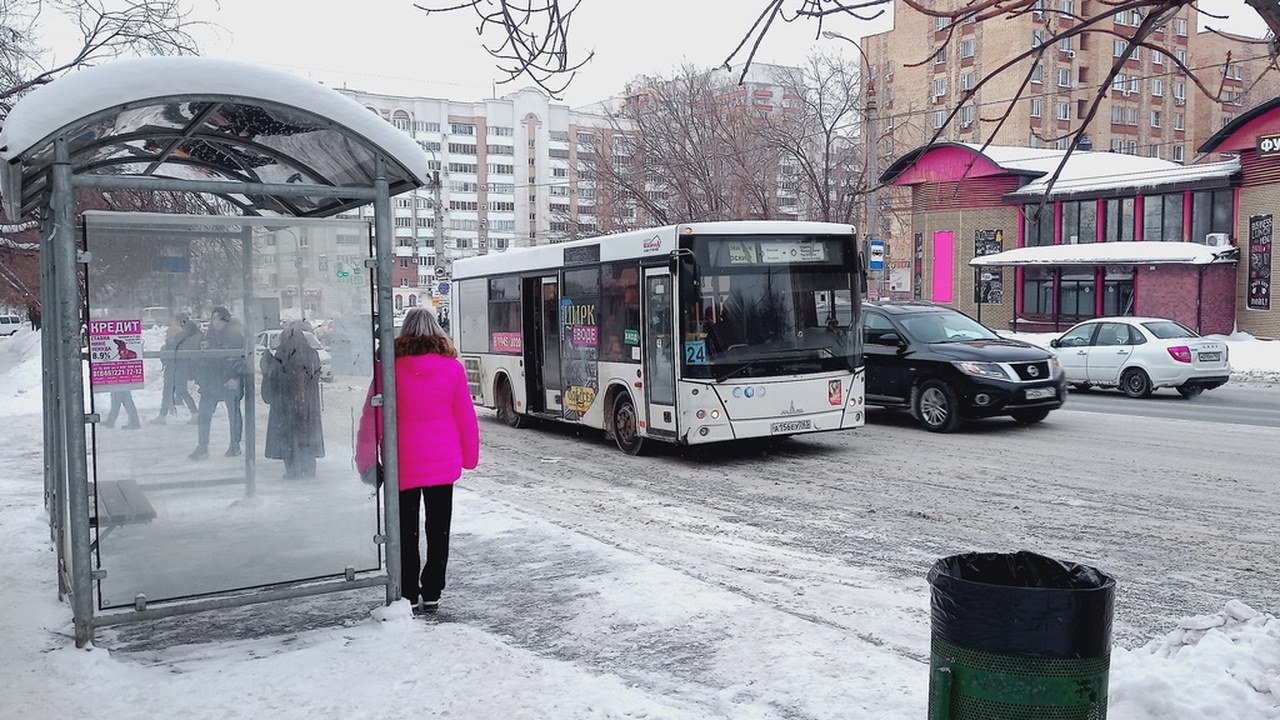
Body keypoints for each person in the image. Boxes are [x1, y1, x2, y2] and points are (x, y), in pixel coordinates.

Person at [356, 307, 479, 615]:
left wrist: (366, 460)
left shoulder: (390, 368)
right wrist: (470, 456)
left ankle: (408, 592)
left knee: (405, 531)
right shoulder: (452, 368)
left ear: (404, 331)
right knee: (438, 529)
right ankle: (433, 590)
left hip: (402, 463)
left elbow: (374, 415)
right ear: (437, 330)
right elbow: (465, 415)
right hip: (442, 462)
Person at [261, 323, 325, 478]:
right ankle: (309, 468)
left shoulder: (282, 355)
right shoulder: (311, 354)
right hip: (307, 406)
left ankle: (293, 470)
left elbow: (273, 380)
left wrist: (266, 362)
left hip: (286, 406)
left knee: (289, 439)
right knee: (307, 437)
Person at [189, 306, 246, 460]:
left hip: (228, 379)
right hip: (212, 380)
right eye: (214, 319)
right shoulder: (209, 334)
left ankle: (235, 444)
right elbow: (201, 355)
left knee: (233, 413)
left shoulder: (235, 334)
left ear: (226, 320)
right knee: (204, 413)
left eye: (220, 319)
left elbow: (240, 357)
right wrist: (203, 348)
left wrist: (235, 376)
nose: (217, 322)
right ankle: (202, 446)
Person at [152, 313, 201, 424]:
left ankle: (163, 415)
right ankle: (194, 413)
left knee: (170, 390)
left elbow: (173, 347)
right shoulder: (190, 332)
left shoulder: (182, 333)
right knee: (180, 390)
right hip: (179, 365)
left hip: (176, 365)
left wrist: (168, 342)